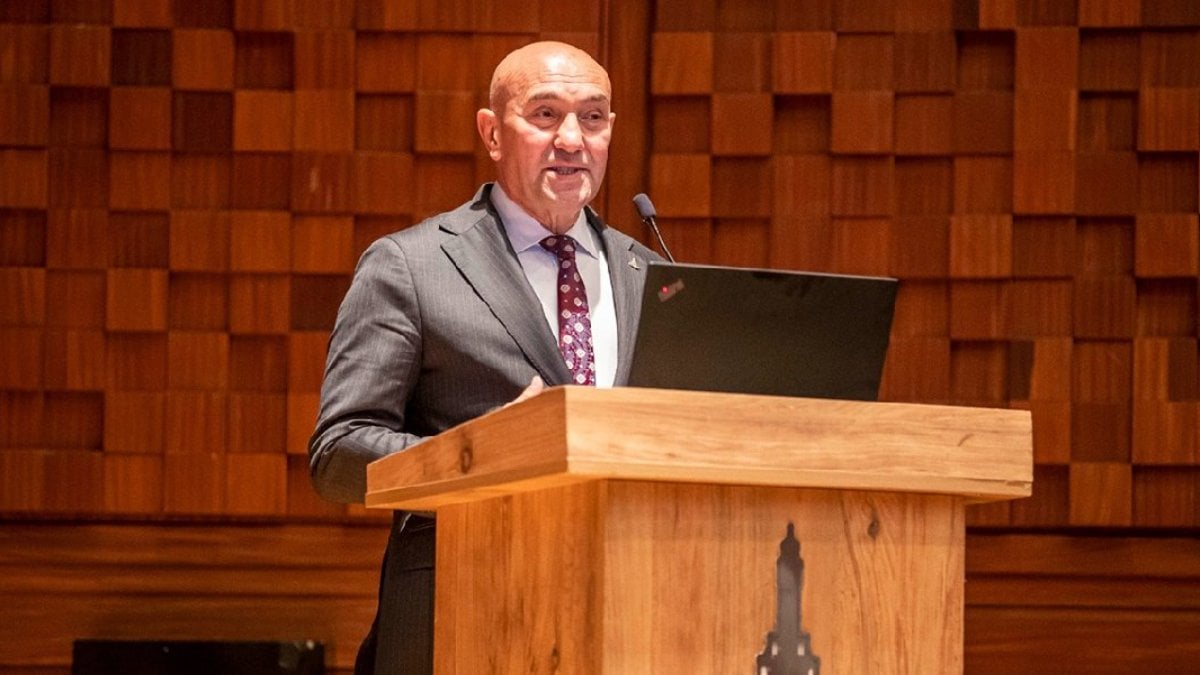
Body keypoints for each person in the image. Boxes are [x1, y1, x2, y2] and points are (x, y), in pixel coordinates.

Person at [308, 41, 662, 674]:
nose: (572, 139)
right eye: (546, 115)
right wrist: (481, 455)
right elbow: (338, 453)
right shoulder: (412, 266)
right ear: (492, 133)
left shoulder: (652, 275)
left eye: (593, 117)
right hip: (464, 614)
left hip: (629, 619)